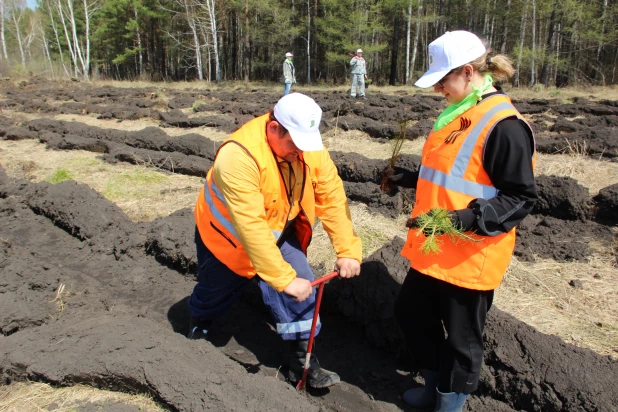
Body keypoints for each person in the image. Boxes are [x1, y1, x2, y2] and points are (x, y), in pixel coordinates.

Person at [391, 31, 537, 412]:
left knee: (462, 339)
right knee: (411, 312)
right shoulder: (459, 112)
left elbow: (520, 197)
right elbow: (454, 173)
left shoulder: (504, 125)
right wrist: (408, 178)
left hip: (470, 253)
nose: (439, 87)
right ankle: (433, 382)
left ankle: (448, 403)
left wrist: (465, 219)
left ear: (468, 71)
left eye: (443, 79)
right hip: (435, 244)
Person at [187, 92, 362, 389]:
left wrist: (347, 250)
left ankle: (300, 359)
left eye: (304, 144)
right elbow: (251, 227)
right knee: (214, 293)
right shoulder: (239, 156)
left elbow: (331, 196)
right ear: (273, 128)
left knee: (302, 287)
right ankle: (198, 327)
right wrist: (282, 279)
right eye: (293, 143)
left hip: (278, 229)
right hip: (226, 240)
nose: (300, 151)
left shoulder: (306, 146)